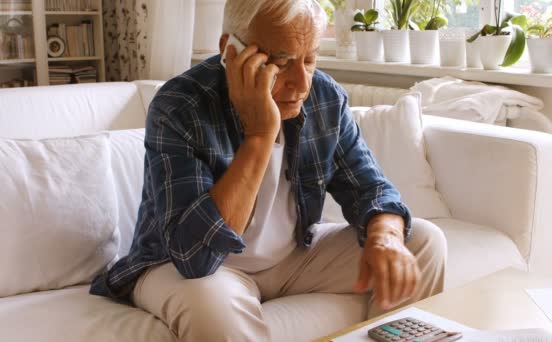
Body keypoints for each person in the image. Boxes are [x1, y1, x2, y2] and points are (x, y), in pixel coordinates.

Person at [90, 0, 447, 340]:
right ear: (231, 54)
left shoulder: (325, 97)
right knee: (211, 308)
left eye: (309, 60)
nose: (301, 83)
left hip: (293, 257)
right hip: (182, 264)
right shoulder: (180, 105)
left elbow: (371, 189)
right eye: (281, 62)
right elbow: (194, 257)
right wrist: (260, 135)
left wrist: (384, 236)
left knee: (422, 242)